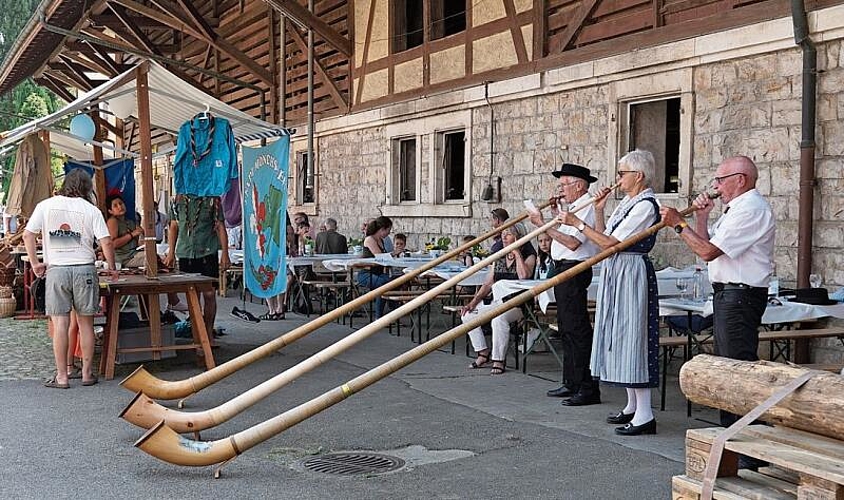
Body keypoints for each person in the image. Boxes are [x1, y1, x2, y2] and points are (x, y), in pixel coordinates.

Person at [659, 155, 775, 432]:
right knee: (727, 370)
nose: (716, 186)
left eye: (721, 180)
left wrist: (678, 223)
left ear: (740, 180)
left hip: (740, 296)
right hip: (729, 295)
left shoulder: (751, 209)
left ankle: (744, 443)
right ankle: (732, 438)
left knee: (736, 373)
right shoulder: (735, 209)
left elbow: (707, 251)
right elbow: (706, 248)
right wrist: (701, 216)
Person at [558, 150, 660, 435]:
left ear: (637, 176)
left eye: (621, 173)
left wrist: (578, 223)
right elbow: (604, 239)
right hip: (617, 270)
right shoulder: (628, 202)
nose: (618, 179)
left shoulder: (646, 206)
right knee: (618, 334)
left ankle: (645, 413)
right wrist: (600, 210)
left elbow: (612, 242)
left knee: (633, 337)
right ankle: (631, 405)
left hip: (631, 271)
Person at [23, 168, 118, 388]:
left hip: (57, 270)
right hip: (85, 269)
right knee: (86, 324)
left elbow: (28, 234)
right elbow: (106, 241)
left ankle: (62, 377)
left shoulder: (46, 206)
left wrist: (35, 263)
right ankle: (86, 374)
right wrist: (112, 268)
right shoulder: (91, 209)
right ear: (87, 188)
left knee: (60, 325)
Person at [528, 163, 600, 404]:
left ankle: (586, 386)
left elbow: (572, 243)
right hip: (563, 268)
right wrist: (553, 214)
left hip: (574, 269)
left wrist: (542, 226)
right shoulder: (575, 205)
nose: (561, 189)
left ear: (579, 186)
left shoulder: (587, 205)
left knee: (577, 329)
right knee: (566, 328)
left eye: (564, 185)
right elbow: (562, 233)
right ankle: (571, 381)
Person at [460, 222, 536, 375]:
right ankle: (483, 352)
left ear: (518, 237)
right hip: (498, 300)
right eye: (503, 233)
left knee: (498, 319)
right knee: (468, 315)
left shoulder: (529, 254)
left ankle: (499, 359)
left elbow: (524, 276)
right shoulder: (499, 255)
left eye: (508, 234)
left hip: (518, 303)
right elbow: (488, 283)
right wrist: (473, 302)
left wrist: (516, 252)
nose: (504, 236)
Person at [164, 195, 230, 338]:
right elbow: (174, 226)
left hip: (207, 251)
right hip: (186, 252)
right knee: (192, 295)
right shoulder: (177, 200)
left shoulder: (212, 199)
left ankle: (208, 332)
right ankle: (197, 333)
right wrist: (170, 252)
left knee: (210, 294)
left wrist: (225, 253)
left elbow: (220, 226)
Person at [356, 216, 396, 318]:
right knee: (383, 284)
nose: (388, 233)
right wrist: (394, 253)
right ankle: (379, 316)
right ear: (382, 229)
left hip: (378, 273)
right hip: (366, 274)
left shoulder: (381, 241)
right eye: (388, 230)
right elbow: (379, 256)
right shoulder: (370, 239)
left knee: (395, 282)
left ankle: (395, 313)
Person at [106, 194, 146, 268]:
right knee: (152, 259)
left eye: (121, 203)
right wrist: (131, 235)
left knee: (156, 255)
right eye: (115, 206)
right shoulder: (113, 221)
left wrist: (141, 233)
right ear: (110, 211)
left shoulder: (130, 222)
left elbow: (138, 242)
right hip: (124, 259)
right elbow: (113, 244)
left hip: (133, 254)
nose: (120, 207)